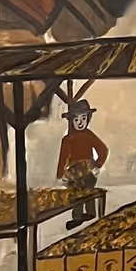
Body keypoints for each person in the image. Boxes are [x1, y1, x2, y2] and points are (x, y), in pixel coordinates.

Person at [56, 97, 108, 227]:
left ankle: (91, 213)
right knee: (75, 193)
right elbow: (63, 158)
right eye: (76, 119)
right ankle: (77, 217)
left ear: (88, 119)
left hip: (88, 168)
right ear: (71, 120)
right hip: (73, 171)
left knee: (88, 189)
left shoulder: (89, 135)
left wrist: (98, 165)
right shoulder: (68, 139)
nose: (80, 122)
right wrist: (60, 175)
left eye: (83, 118)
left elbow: (103, 149)